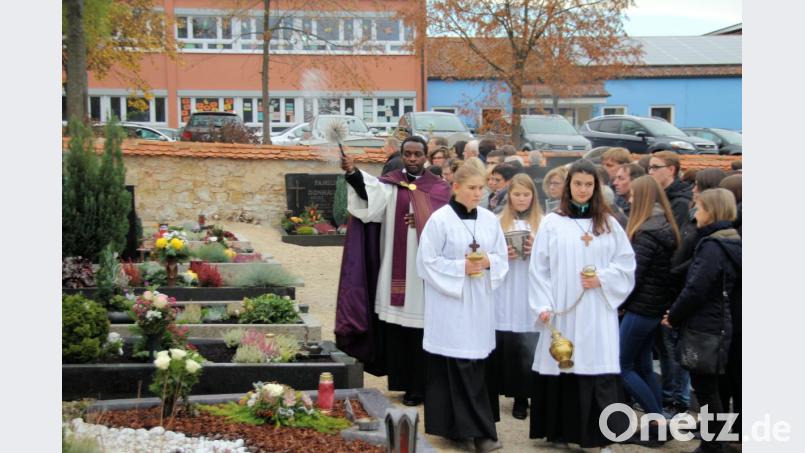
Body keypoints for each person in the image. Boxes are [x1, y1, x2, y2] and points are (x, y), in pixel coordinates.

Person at [528, 159, 636, 452]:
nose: (583, 190)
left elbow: (626, 265)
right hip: (563, 309)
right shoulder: (552, 222)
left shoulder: (609, 224)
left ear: (596, 187)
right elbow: (539, 269)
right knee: (565, 364)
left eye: (589, 184)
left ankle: (596, 437)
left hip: (597, 309)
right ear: (568, 185)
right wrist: (543, 305)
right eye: (578, 183)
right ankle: (563, 432)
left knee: (595, 366)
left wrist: (601, 278)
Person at [335, 135, 452, 407]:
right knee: (397, 329)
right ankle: (400, 382)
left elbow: (447, 221)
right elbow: (369, 198)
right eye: (408, 154)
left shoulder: (438, 188)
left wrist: (422, 217)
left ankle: (420, 387)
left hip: (424, 272)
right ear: (402, 155)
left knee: (420, 330)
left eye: (418, 154)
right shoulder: (391, 184)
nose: (412, 159)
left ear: (426, 156)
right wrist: (352, 173)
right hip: (394, 268)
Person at [416, 164, 509, 452]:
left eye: (481, 188)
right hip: (450, 305)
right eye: (472, 188)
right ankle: (466, 432)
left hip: (478, 304)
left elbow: (501, 256)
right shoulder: (439, 220)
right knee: (456, 365)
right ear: (456, 187)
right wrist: (462, 267)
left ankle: (477, 430)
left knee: (475, 365)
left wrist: (487, 262)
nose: (478, 194)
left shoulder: (489, 220)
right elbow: (426, 262)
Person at [663, 188, 741, 453]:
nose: (696, 212)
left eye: (701, 207)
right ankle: (715, 440)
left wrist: (674, 315)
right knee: (712, 386)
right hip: (718, 320)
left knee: (705, 386)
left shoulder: (712, 246)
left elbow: (696, 287)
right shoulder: (730, 240)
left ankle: (712, 443)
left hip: (704, 323)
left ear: (713, 210)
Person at [619, 175, 681, 447]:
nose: (628, 199)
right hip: (653, 307)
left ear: (642, 198)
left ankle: (658, 420)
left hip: (641, 307)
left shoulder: (647, 231)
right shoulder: (664, 226)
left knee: (621, 365)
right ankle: (658, 427)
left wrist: (618, 301)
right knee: (643, 366)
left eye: (632, 195)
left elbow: (635, 276)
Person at [489, 174, 543, 420]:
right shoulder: (497, 221)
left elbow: (554, 257)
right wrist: (502, 254)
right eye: (517, 194)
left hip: (529, 289)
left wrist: (537, 251)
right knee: (505, 342)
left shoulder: (543, 223)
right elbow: (486, 251)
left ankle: (523, 397)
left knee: (526, 344)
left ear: (533, 196)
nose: (521, 199)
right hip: (506, 287)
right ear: (509, 196)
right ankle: (502, 390)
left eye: (526, 194)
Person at [648, 151, 691, 231]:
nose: (650, 172)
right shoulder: (654, 195)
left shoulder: (681, 202)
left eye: (655, 168)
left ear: (671, 170)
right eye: (650, 168)